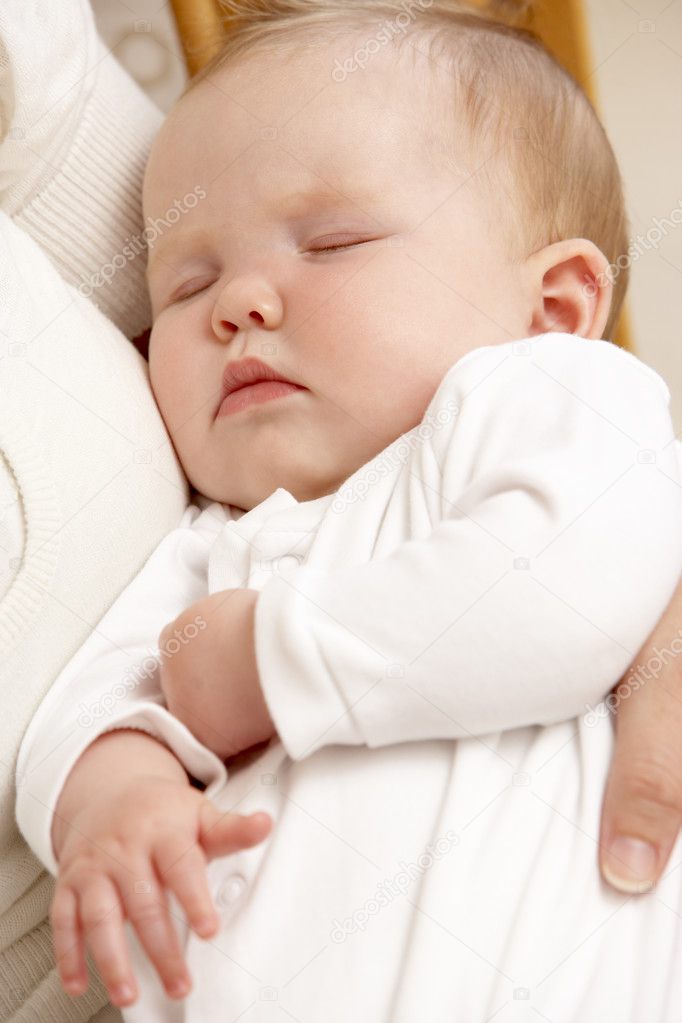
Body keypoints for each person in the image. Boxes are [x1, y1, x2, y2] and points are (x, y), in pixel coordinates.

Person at [14, 1, 682, 1020]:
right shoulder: (205, 544)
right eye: (185, 285)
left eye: (329, 244)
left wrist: (269, 664)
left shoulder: (545, 405)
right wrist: (116, 799)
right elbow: (89, 705)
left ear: (550, 310)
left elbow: (562, 595)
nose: (240, 303)